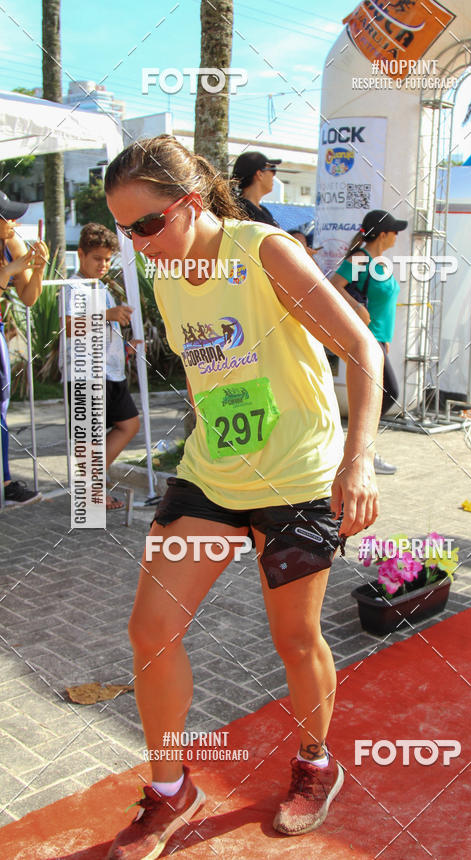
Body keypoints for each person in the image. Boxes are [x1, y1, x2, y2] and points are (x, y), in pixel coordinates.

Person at [103, 134, 381, 857]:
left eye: (146, 225)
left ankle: (317, 765)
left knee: (294, 639)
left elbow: (363, 348)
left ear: (190, 204)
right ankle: (170, 790)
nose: (137, 244)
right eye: (124, 230)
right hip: (214, 478)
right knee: (150, 629)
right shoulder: (165, 274)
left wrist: (360, 461)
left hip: (296, 483)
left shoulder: (263, 253)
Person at [63, 223, 140, 510]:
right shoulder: (73, 286)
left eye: (107, 259)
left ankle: (90, 477)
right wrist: (107, 313)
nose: (103, 264)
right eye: (97, 258)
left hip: (110, 370)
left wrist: (126, 345)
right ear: (81, 255)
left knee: (129, 424)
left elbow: (102, 330)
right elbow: (68, 326)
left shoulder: (100, 287)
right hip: (86, 373)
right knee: (92, 436)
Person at [331, 209, 407, 475]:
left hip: (379, 339)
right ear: (383, 234)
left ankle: (357, 449)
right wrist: (357, 308)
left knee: (378, 395)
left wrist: (386, 339)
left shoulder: (378, 262)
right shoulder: (361, 258)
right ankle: (357, 449)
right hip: (366, 338)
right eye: (394, 231)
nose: (397, 235)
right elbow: (334, 285)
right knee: (389, 393)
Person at [0, 191, 48, 505]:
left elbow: (29, 297)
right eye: (7, 216)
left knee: (1, 407)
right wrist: (8, 271)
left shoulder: (11, 243)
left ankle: (5, 483)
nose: (14, 221)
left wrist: (39, 267)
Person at [231, 151, 281, 226]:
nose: (273, 176)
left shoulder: (263, 211)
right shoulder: (242, 211)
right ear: (259, 174)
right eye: (272, 170)